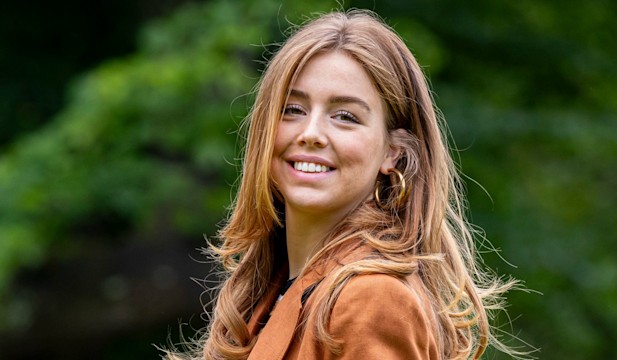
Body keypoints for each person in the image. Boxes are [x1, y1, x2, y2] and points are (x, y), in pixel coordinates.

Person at [165, 9, 523, 360]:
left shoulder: (372, 299)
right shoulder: (266, 292)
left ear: (393, 152)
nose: (311, 134)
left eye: (345, 117)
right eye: (292, 109)